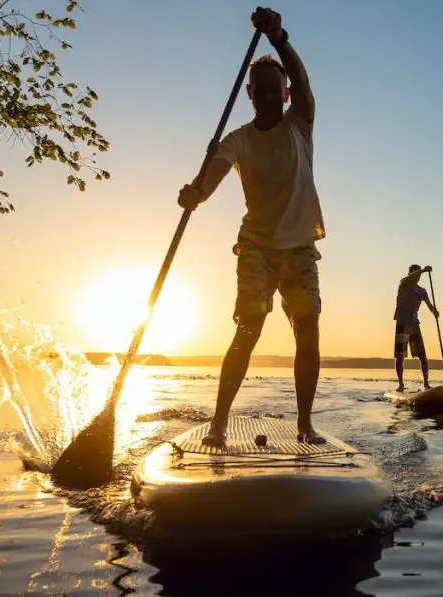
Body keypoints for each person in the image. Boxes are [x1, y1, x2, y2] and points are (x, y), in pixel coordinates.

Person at [177, 7, 326, 445]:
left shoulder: (301, 124)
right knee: (249, 329)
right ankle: (220, 425)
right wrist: (195, 194)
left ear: (283, 94)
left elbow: (303, 82)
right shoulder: (237, 139)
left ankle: (304, 425)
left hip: (299, 250)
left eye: (273, 89)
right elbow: (212, 175)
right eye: (258, 90)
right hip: (257, 250)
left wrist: (279, 39)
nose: (266, 95)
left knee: (308, 330)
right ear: (249, 93)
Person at [393, 264, 439, 392]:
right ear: (410, 274)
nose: (418, 276)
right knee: (400, 356)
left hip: (414, 324)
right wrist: (423, 270)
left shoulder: (422, 291)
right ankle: (401, 384)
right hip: (402, 323)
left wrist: (434, 311)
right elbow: (406, 278)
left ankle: (426, 384)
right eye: (416, 274)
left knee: (423, 356)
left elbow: (430, 306)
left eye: (419, 275)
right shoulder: (403, 285)